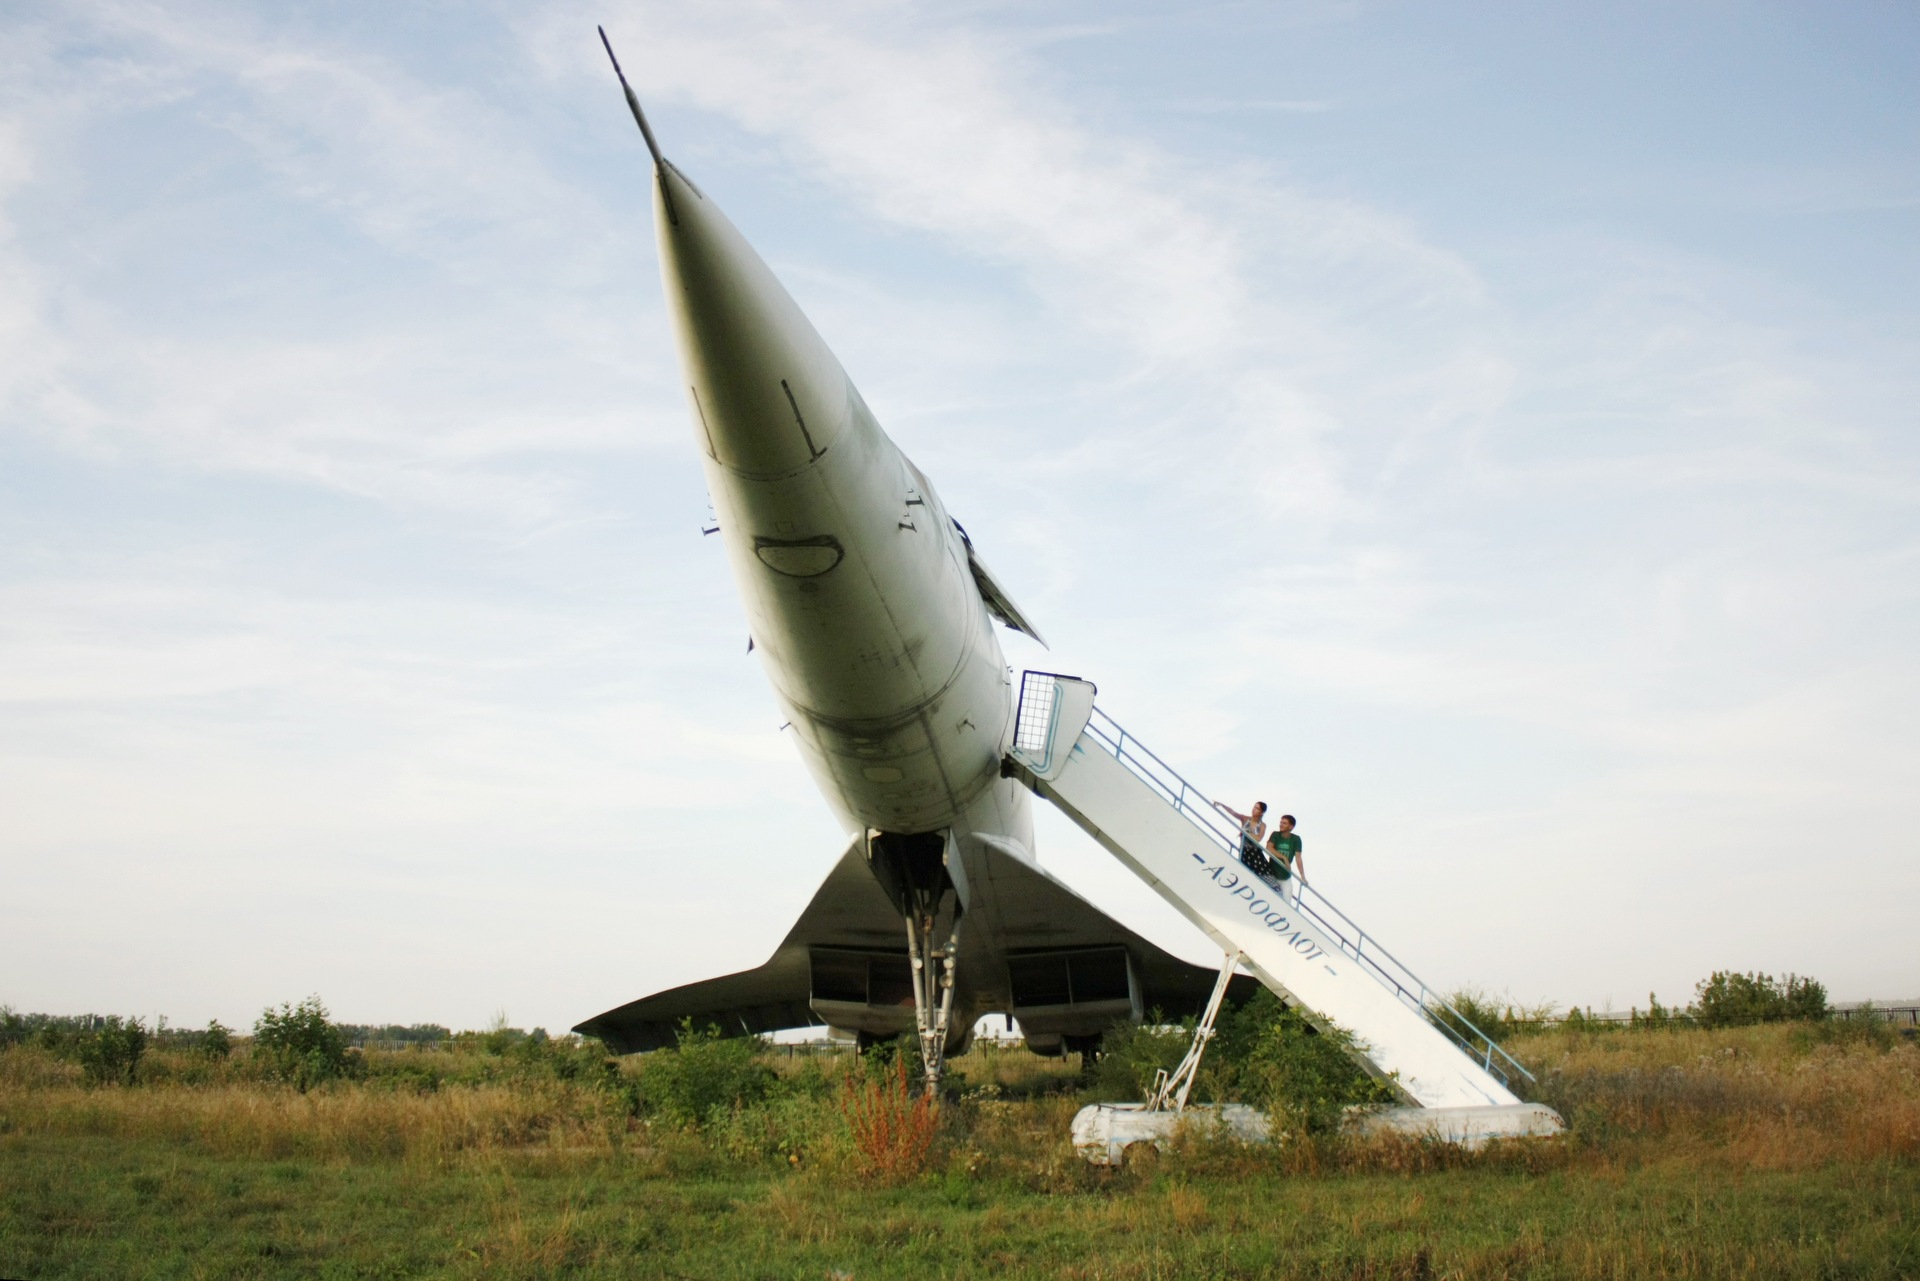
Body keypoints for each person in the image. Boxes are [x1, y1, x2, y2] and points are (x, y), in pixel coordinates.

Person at [1214, 799, 1267, 866]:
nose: (1254, 809)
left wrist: (1244, 832)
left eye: (1257, 808)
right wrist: (1222, 805)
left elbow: (1258, 839)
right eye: (1254, 807)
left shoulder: (1262, 825)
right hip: (1243, 851)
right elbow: (1233, 812)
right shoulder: (1245, 819)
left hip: (1255, 853)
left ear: (1261, 812)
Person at [1265, 815, 1305, 901]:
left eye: (1284, 823)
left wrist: (1302, 876)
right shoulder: (1275, 834)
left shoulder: (1296, 839)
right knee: (1269, 898)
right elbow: (1269, 848)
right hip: (1272, 873)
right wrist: (1284, 858)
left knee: (1287, 902)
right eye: (1281, 822)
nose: (1281, 824)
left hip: (1285, 876)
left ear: (1291, 826)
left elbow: (1298, 858)